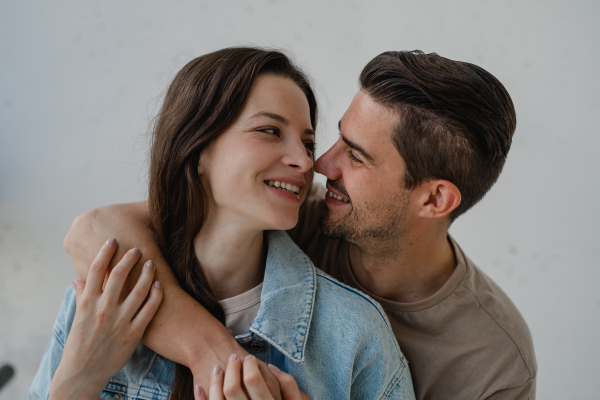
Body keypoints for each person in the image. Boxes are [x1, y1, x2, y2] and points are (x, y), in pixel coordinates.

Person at [63, 50, 537, 399]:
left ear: (435, 199)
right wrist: (215, 357)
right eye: (332, 141)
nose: (318, 164)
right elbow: (94, 230)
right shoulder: (299, 215)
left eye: (355, 155)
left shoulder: (493, 361)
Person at [30, 47, 415, 400]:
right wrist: (75, 383)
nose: (304, 161)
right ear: (197, 149)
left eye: (308, 142)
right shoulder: (100, 302)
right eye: (270, 131)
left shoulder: (353, 336)